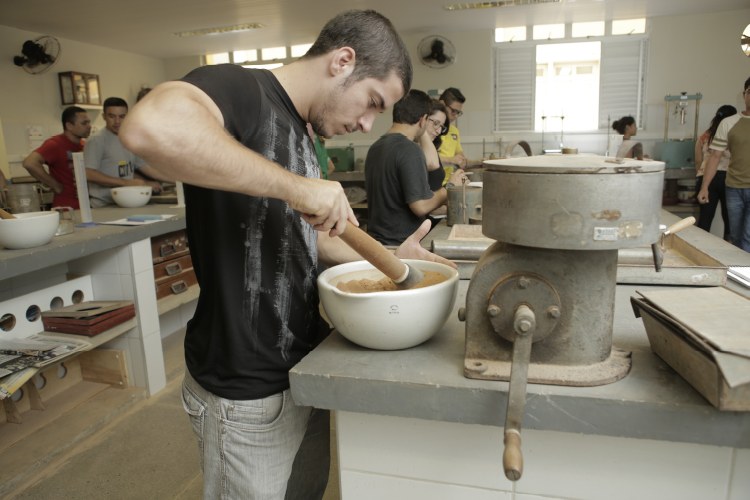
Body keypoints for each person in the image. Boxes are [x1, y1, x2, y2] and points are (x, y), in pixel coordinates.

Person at [119, 10, 453, 499]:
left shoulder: (302, 132)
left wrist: (386, 257)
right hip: (243, 393)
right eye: (372, 103)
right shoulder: (239, 88)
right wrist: (298, 188)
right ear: (343, 61)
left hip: (301, 373)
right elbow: (150, 129)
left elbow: (304, 236)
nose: (366, 123)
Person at [365, 89, 465, 246]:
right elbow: (421, 206)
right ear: (423, 120)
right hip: (401, 245)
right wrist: (450, 187)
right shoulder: (410, 149)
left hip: (376, 242)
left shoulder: (375, 147)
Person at [84, 97, 170, 207]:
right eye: (112, 116)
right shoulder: (97, 140)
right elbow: (89, 174)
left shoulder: (129, 139)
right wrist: (127, 183)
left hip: (128, 202)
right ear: (104, 117)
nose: (117, 121)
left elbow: (144, 167)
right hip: (104, 205)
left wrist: (177, 180)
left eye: (121, 116)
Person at [698, 77, 750, 251]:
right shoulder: (728, 123)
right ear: (744, 95)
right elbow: (714, 157)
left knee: (747, 236)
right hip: (733, 187)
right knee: (735, 236)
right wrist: (705, 187)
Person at [22, 106, 92, 209]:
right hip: (67, 206)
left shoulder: (84, 145)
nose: (89, 126)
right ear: (69, 126)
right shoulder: (55, 144)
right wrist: (55, 186)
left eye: (89, 122)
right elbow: (30, 163)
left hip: (86, 203)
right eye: (84, 123)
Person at [694, 104, 737, 239]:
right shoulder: (733, 135)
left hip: (706, 178)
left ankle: (700, 250)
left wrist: (701, 179)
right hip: (728, 177)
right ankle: (729, 254)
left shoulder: (704, 136)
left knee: (705, 219)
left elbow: (698, 161)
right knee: (729, 219)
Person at [438, 87, 468, 181]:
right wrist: (451, 160)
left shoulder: (454, 131)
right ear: (442, 104)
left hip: (450, 182)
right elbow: (425, 159)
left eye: (458, 112)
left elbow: (461, 159)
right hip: (433, 185)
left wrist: (481, 162)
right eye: (453, 111)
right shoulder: (429, 129)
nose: (455, 116)